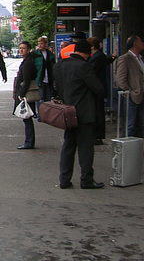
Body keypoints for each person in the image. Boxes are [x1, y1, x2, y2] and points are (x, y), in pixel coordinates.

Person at [54, 39, 105, 189]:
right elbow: (98, 88)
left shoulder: (60, 66)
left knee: (68, 146)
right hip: (84, 113)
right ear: (86, 53)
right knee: (86, 148)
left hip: (67, 113)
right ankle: (86, 180)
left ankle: (64, 179)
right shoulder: (83, 66)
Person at [87, 36, 116, 144]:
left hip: (97, 89)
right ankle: (97, 135)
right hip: (99, 87)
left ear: (92, 47)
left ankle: (98, 136)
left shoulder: (97, 57)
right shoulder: (98, 56)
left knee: (98, 112)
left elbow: (92, 70)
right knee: (98, 111)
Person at [115, 35, 144, 138]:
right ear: (135, 44)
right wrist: (130, 91)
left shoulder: (140, 59)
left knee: (141, 124)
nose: (143, 43)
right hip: (132, 96)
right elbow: (120, 79)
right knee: (130, 123)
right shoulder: (125, 59)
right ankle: (129, 148)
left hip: (141, 95)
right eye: (141, 41)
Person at [14, 41, 37, 149]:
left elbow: (27, 80)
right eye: (20, 48)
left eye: (23, 48)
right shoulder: (26, 61)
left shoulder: (27, 63)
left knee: (27, 117)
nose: (21, 50)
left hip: (26, 94)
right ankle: (29, 141)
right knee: (26, 117)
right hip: (24, 93)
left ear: (28, 50)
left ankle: (29, 142)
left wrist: (21, 94)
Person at [33, 36, 56, 121]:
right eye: (39, 43)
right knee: (40, 98)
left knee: (48, 98)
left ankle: (47, 115)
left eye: (41, 43)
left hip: (49, 79)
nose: (40, 45)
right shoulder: (35, 54)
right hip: (39, 79)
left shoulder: (50, 54)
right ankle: (40, 115)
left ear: (46, 44)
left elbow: (53, 66)